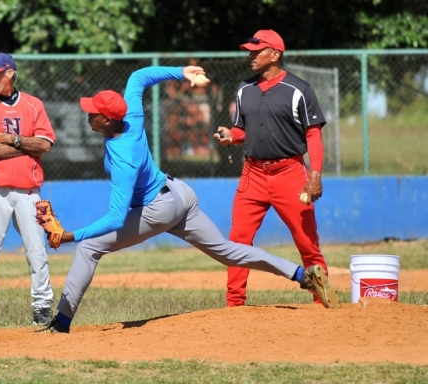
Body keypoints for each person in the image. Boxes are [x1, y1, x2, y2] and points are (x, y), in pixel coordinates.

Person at [38, 65, 341, 334]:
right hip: (179, 194)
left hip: (159, 209)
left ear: (105, 120)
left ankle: (62, 323)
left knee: (89, 247)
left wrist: (71, 236)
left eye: (92, 112)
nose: (87, 113)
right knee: (228, 251)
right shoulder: (129, 115)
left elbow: (117, 218)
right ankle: (301, 275)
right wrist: (183, 71)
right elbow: (139, 77)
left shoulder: (123, 161)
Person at [213, 30, 330, 307]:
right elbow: (243, 129)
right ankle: (234, 303)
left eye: (257, 51)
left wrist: (315, 175)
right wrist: (232, 135)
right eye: (250, 51)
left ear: (275, 54)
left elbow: (313, 134)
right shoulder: (245, 89)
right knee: (238, 241)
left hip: (289, 174)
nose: (251, 55)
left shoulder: (299, 90)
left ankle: (321, 299)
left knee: (306, 242)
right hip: (252, 174)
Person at [0, 52, 56, 327]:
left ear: (9, 73)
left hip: (29, 190)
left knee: (37, 249)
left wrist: (14, 139)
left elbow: (46, 145)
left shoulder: (33, 105)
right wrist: (25, 146)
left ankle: (42, 306)